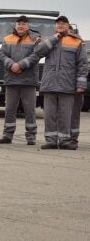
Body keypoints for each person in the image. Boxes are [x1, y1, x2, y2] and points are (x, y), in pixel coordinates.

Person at [32, 16, 87, 150]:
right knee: (49, 115)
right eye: (58, 23)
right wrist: (53, 38)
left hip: (67, 85)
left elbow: (82, 65)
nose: (60, 25)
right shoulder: (49, 40)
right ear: (55, 26)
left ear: (68, 26)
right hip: (49, 84)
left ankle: (64, 141)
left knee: (65, 115)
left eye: (63, 23)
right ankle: (51, 140)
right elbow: (38, 52)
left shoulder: (76, 42)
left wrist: (81, 84)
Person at [0, 15, 40, 145]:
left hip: (28, 81)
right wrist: (11, 64)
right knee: (9, 109)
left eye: (24, 24)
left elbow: (36, 55)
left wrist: (20, 65)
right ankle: (7, 135)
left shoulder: (35, 39)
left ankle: (31, 137)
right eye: (19, 24)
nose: (21, 26)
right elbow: (1, 54)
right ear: (15, 26)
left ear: (28, 26)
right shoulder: (7, 39)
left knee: (30, 110)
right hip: (12, 80)